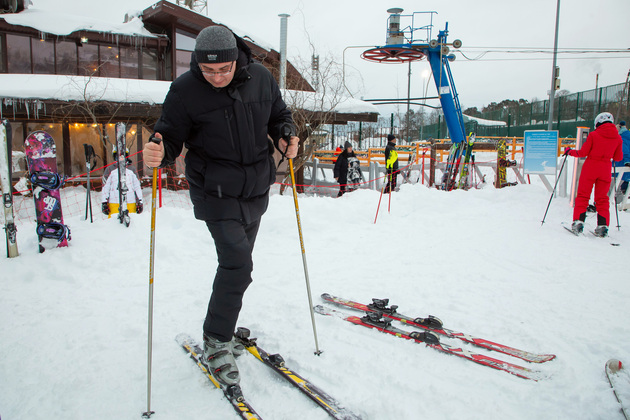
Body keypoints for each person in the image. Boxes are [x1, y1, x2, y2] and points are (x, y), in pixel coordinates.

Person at [142, 25, 298, 387]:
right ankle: (215, 340)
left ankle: (223, 329)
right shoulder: (184, 90)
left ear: (237, 60)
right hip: (214, 191)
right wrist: (158, 151)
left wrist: (286, 134)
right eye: (208, 70)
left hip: (255, 190)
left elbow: (279, 115)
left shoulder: (261, 79)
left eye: (223, 69)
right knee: (238, 264)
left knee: (237, 268)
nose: (215, 77)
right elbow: (169, 137)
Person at [564, 112, 623, 237]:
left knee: (583, 196)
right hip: (605, 169)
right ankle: (603, 226)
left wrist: (569, 152)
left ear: (598, 123)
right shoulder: (618, 138)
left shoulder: (594, 135)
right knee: (602, 199)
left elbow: (582, 152)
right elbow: (618, 157)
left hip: (590, 167)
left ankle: (578, 223)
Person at [614, 120, 630, 199]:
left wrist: (627, 161)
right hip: (626, 169)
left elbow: (624, 150)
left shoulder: (621, 138)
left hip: (621, 165)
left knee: (615, 191)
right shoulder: (628, 136)